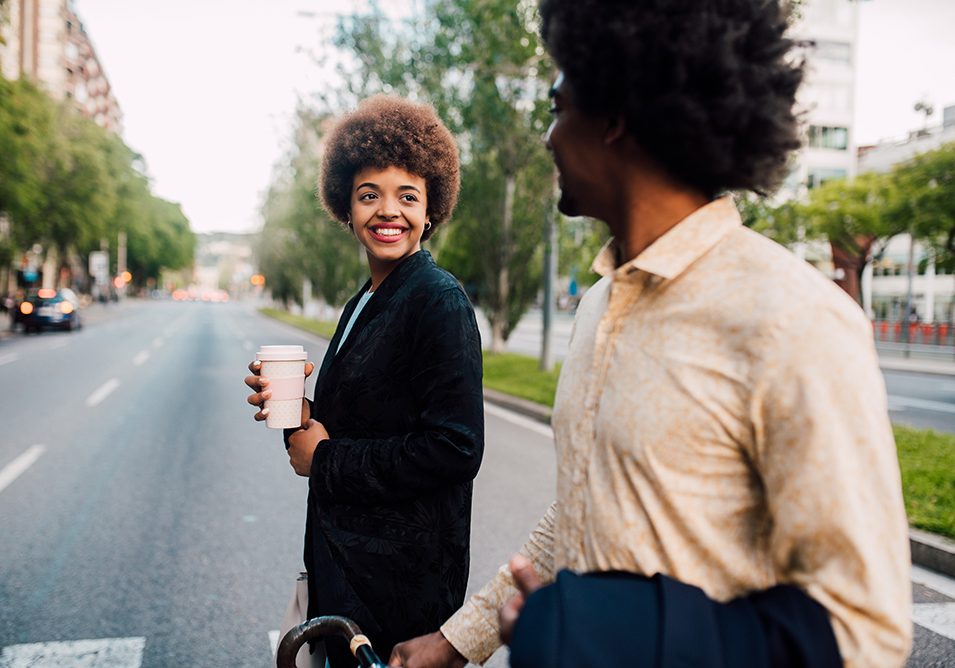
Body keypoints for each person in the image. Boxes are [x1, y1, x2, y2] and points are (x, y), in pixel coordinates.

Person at [389, 1, 911, 667]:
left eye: (557, 106)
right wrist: (461, 640)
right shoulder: (600, 304)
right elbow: (579, 516)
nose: (547, 136)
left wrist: (613, 635)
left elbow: (865, 630)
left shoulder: (791, 319)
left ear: (614, 114)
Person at [245, 95, 484, 667]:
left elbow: (455, 448)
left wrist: (323, 459)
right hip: (349, 578)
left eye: (408, 196)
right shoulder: (365, 301)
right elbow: (360, 422)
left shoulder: (437, 299)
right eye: (369, 195)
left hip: (402, 594)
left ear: (431, 211)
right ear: (346, 208)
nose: (388, 211)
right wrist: (299, 415)